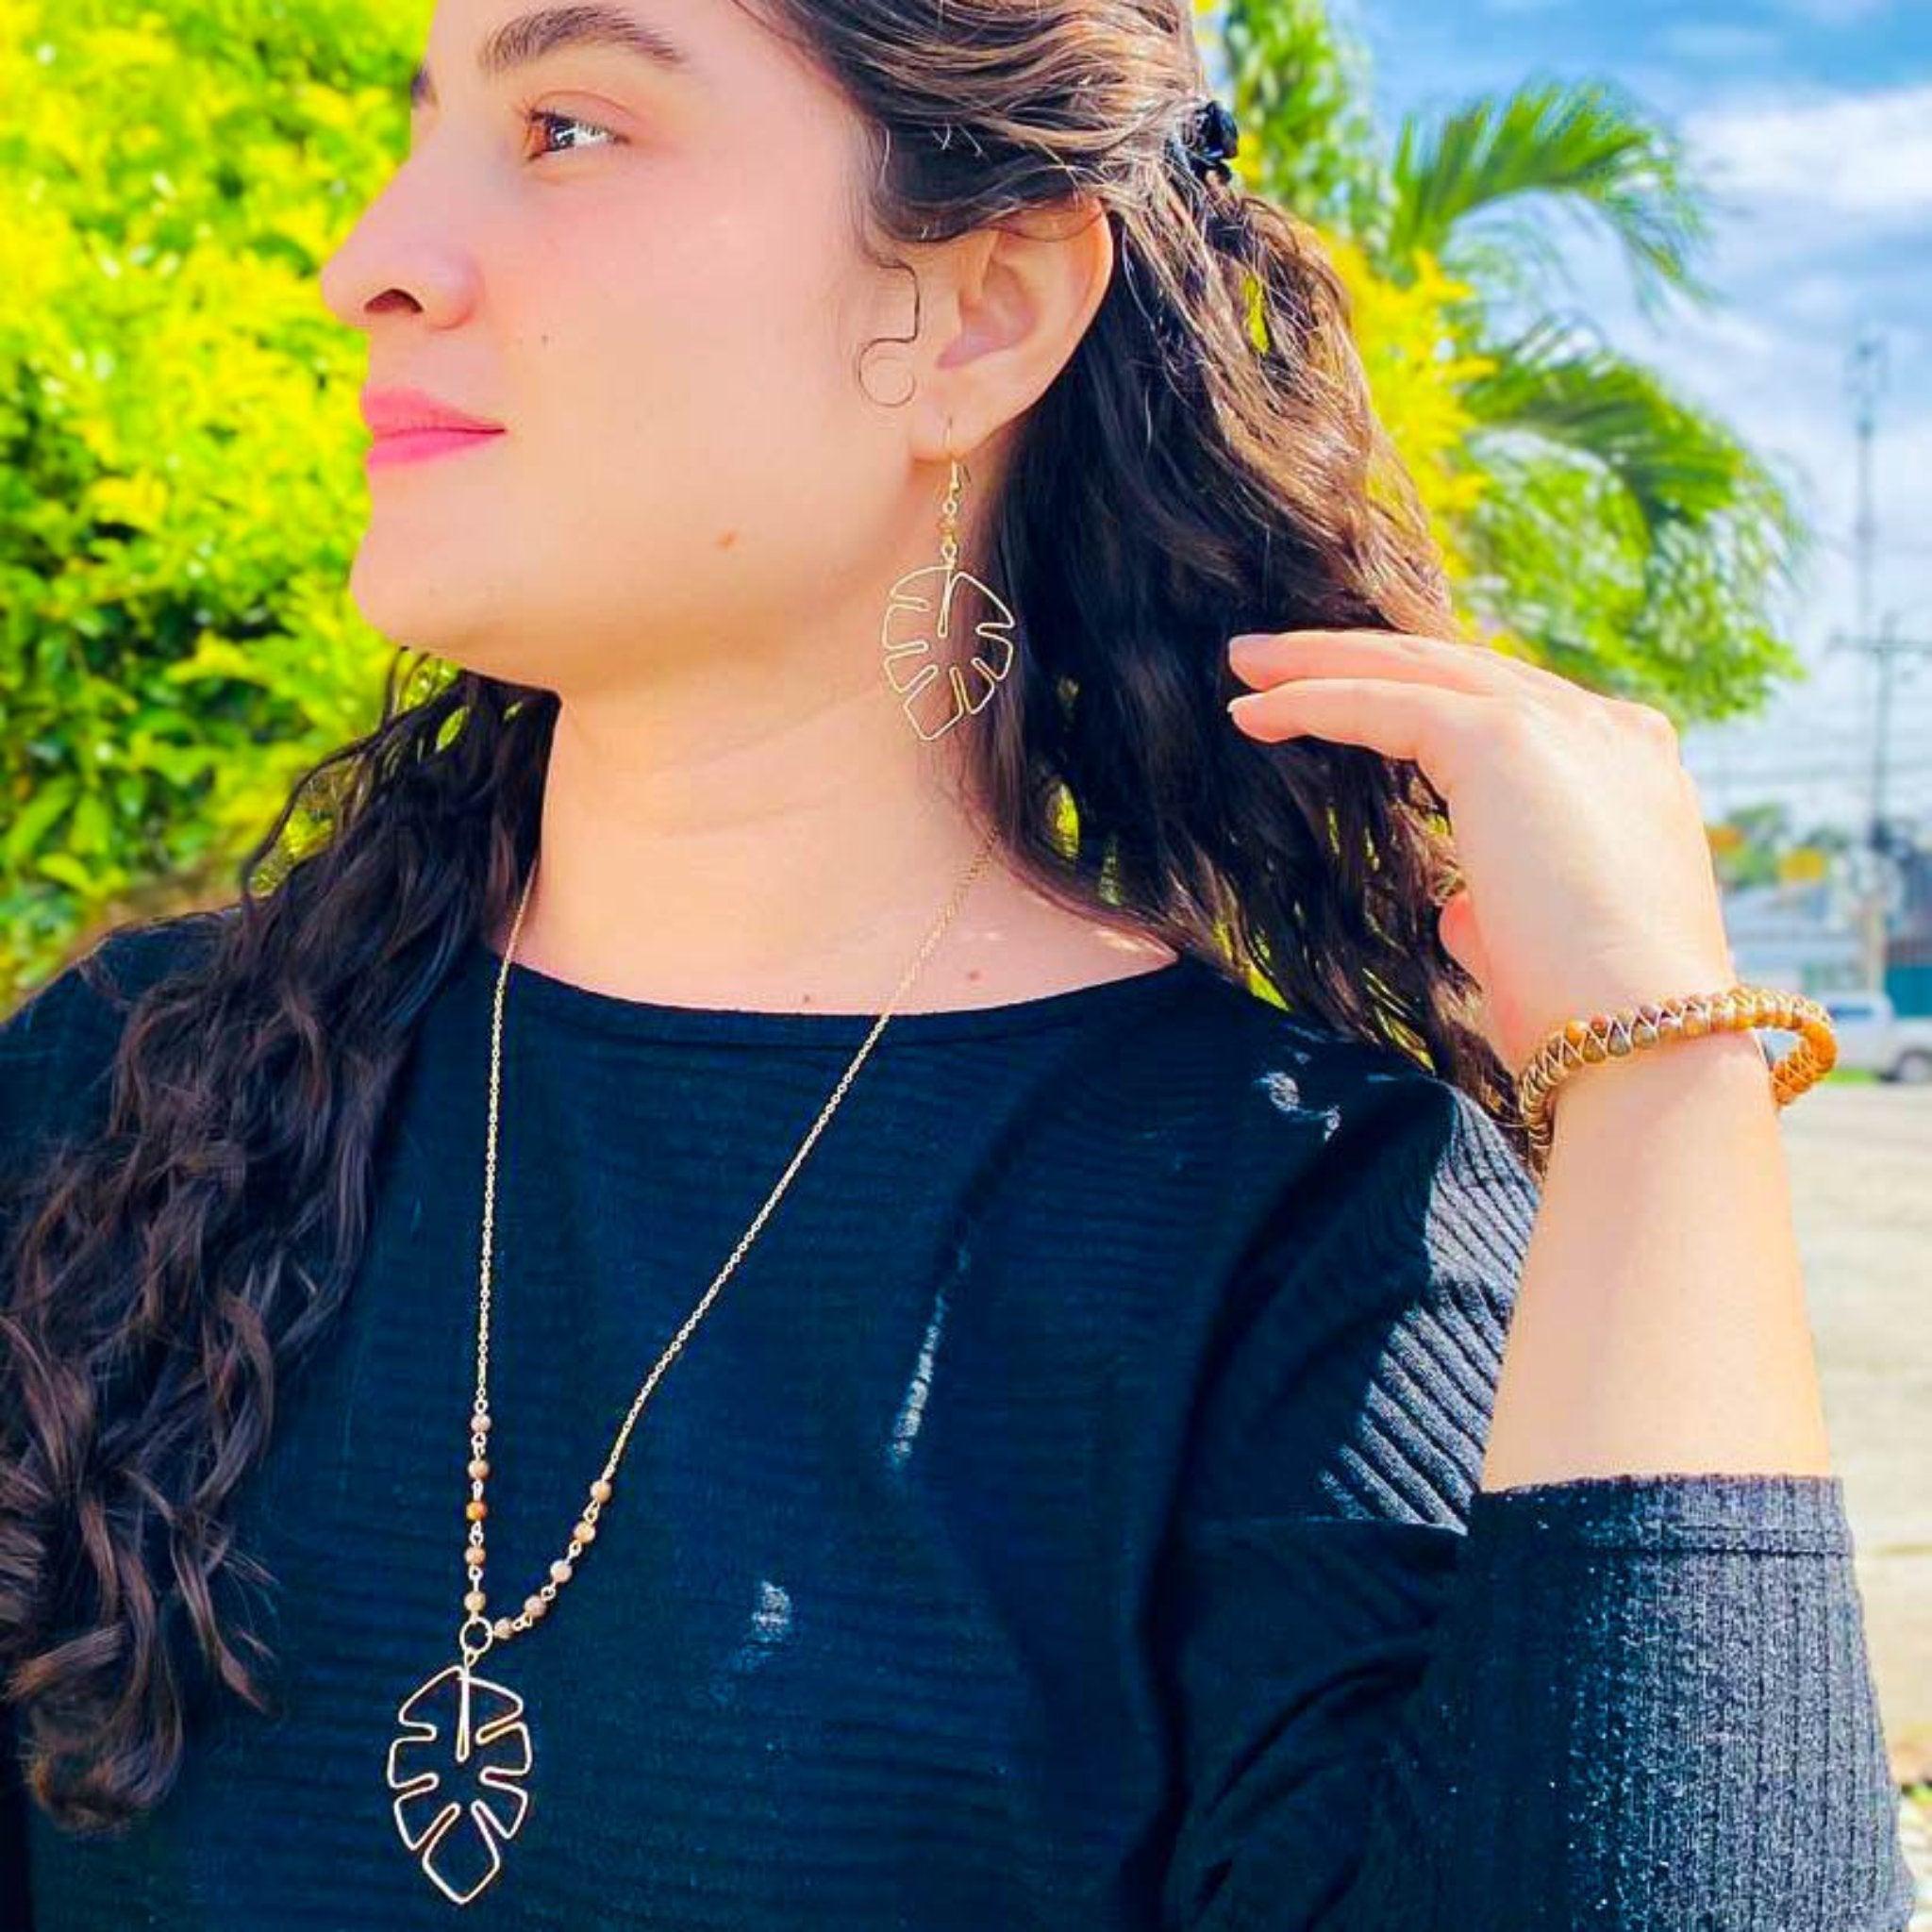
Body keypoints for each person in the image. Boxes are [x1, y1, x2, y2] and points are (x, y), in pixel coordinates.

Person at [0, 0, 1914, 1925]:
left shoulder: (1305, 1238)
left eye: (570, 126)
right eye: (423, 133)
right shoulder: (124, 1094)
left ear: (981, 311)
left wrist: (1665, 1082)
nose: (372, 262)